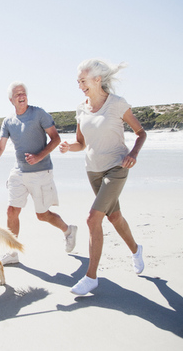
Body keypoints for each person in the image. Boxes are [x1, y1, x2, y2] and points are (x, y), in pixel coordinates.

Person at [60, 58, 147, 295]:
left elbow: (141, 133)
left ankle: (91, 277)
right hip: (93, 170)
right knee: (114, 217)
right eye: (78, 81)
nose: (80, 85)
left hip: (117, 167)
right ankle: (136, 249)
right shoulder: (81, 108)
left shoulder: (117, 104)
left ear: (98, 79)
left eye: (83, 80)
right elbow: (81, 143)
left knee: (92, 218)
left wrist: (133, 154)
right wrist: (69, 147)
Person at [0, 81, 77, 265]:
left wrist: (39, 156)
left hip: (41, 171)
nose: (22, 96)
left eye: (24, 92)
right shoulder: (8, 121)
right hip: (19, 172)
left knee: (42, 215)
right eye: (17, 94)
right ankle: (12, 253)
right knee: (12, 211)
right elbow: (1, 146)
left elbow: (56, 138)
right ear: (11, 99)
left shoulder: (38, 114)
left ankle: (68, 230)